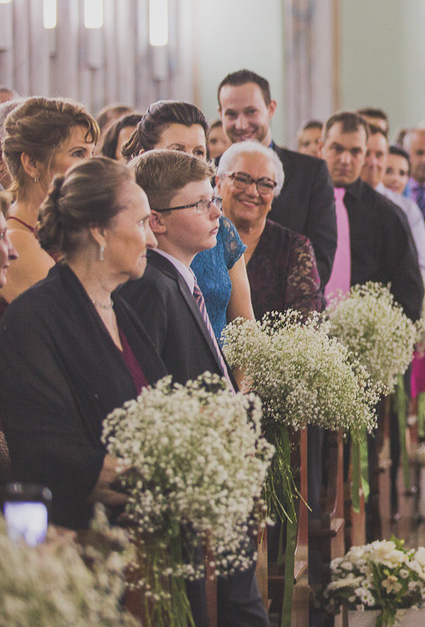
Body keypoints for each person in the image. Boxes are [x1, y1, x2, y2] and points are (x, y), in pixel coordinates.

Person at [117, 149, 268, 626]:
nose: (216, 213)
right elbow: (151, 387)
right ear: (157, 221)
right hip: (190, 481)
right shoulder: (151, 287)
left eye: (213, 200)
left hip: (211, 470)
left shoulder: (177, 279)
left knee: (240, 604)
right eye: (200, 204)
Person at [0, 158, 167, 530]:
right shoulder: (34, 318)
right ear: (100, 231)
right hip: (84, 539)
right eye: (141, 222)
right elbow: (47, 456)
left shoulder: (120, 308)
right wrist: (169, 475)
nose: (153, 239)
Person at [123, 100, 253, 342]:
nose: (190, 162)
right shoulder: (130, 235)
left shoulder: (220, 229)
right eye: (177, 151)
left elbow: (246, 331)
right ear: (147, 157)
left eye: (199, 153)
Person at [218, 69, 337, 286]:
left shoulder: (310, 173)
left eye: (251, 112)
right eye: (231, 114)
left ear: (271, 108)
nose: (241, 124)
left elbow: (321, 257)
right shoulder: (208, 172)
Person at [318, 111, 422, 319]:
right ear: (321, 148)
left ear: (365, 154)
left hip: (367, 330)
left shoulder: (388, 214)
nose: (345, 160)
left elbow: (409, 291)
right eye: (337, 149)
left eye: (355, 151)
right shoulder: (302, 204)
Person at [0, 98, 98, 316]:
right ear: (32, 163)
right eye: (78, 153)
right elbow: (78, 322)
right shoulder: (15, 241)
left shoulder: (66, 227)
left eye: (92, 153)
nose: (92, 165)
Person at [217, 142, 323, 319]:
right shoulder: (198, 239)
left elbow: (305, 325)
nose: (252, 191)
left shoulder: (294, 249)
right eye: (241, 179)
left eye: (265, 184)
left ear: (274, 195)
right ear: (218, 183)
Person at [364, 126, 425, 280]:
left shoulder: (407, 209)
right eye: (389, 171)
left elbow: (424, 267)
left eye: (402, 173)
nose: (395, 179)